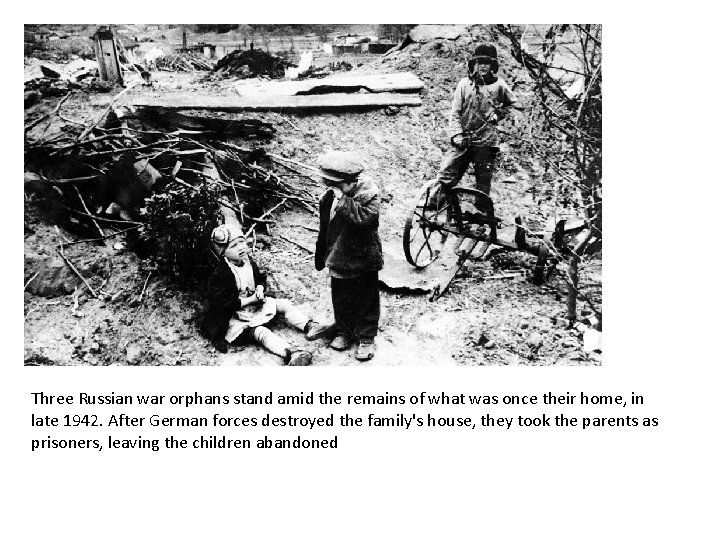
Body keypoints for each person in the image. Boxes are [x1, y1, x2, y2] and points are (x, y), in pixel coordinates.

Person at [201, 223, 326, 365]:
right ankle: (290, 352)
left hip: (255, 306)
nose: (241, 247)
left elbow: (260, 278)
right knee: (261, 332)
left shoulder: (247, 262)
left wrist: (260, 288)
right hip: (235, 318)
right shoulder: (221, 273)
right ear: (223, 252)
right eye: (233, 246)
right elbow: (223, 305)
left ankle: (309, 326)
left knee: (283, 304)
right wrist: (251, 299)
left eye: (242, 241)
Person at [314, 151, 383, 361]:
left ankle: (366, 337)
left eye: (336, 185)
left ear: (350, 182)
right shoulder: (330, 196)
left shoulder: (369, 196)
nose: (331, 188)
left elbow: (363, 219)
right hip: (338, 255)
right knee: (341, 296)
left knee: (366, 299)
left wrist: (343, 200)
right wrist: (321, 252)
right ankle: (344, 330)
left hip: (363, 257)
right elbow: (325, 227)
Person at [436, 42, 522, 200]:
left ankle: (480, 216)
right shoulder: (464, 84)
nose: (483, 66)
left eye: (487, 63)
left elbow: (514, 105)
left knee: (483, 182)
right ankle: (435, 206)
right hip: (464, 139)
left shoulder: (499, 85)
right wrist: (456, 135)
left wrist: (499, 114)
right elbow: (455, 112)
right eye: (479, 63)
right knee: (447, 174)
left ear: (492, 65)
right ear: (474, 64)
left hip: (486, 141)